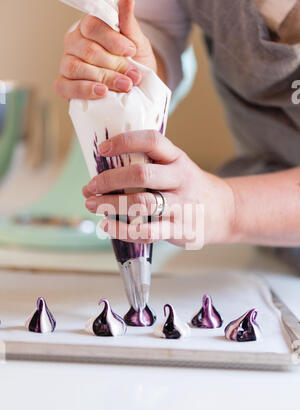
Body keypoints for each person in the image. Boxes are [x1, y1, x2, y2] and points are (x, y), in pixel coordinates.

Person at [55, 0, 300, 266]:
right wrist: (127, 68)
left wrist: (228, 208)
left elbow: (226, 210)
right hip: (271, 255)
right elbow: (159, 28)